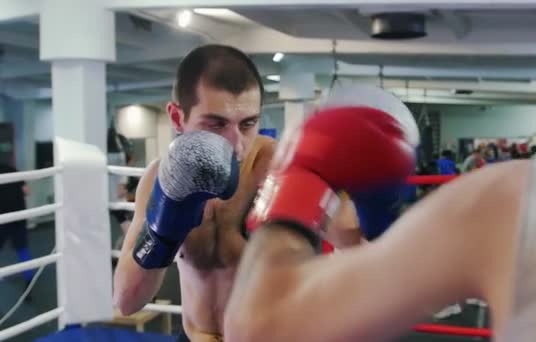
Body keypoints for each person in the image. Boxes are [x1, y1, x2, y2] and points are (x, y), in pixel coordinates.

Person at [222, 1, 536, 340]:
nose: (235, 139)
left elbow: (259, 324)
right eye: (216, 123)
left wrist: (297, 180)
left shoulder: (526, 201)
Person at [112, 44, 361, 341]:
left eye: (248, 124)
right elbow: (127, 301)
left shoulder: (282, 168)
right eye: (216, 124)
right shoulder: (160, 179)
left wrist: (361, 200)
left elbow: (362, 251)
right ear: (178, 118)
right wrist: (160, 233)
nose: (237, 144)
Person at [0, 164, 34, 290]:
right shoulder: (12, 169)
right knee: (22, 249)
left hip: (3, 217)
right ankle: (29, 280)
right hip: (18, 215)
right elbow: (27, 191)